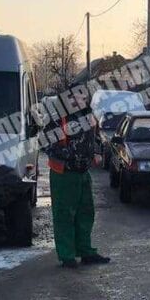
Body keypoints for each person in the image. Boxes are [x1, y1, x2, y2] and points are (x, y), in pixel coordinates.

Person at [42, 94, 111, 269]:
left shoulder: (88, 116)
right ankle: (67, 256)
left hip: (83, 173)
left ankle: (86, 251)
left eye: (82, 98)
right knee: (64, 214)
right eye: (76, 98)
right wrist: (69, 155)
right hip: (63, 173)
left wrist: (95, 153)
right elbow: (45, 142)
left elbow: (95, 137)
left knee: (85, 213)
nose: (80, 101)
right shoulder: (59, 117)